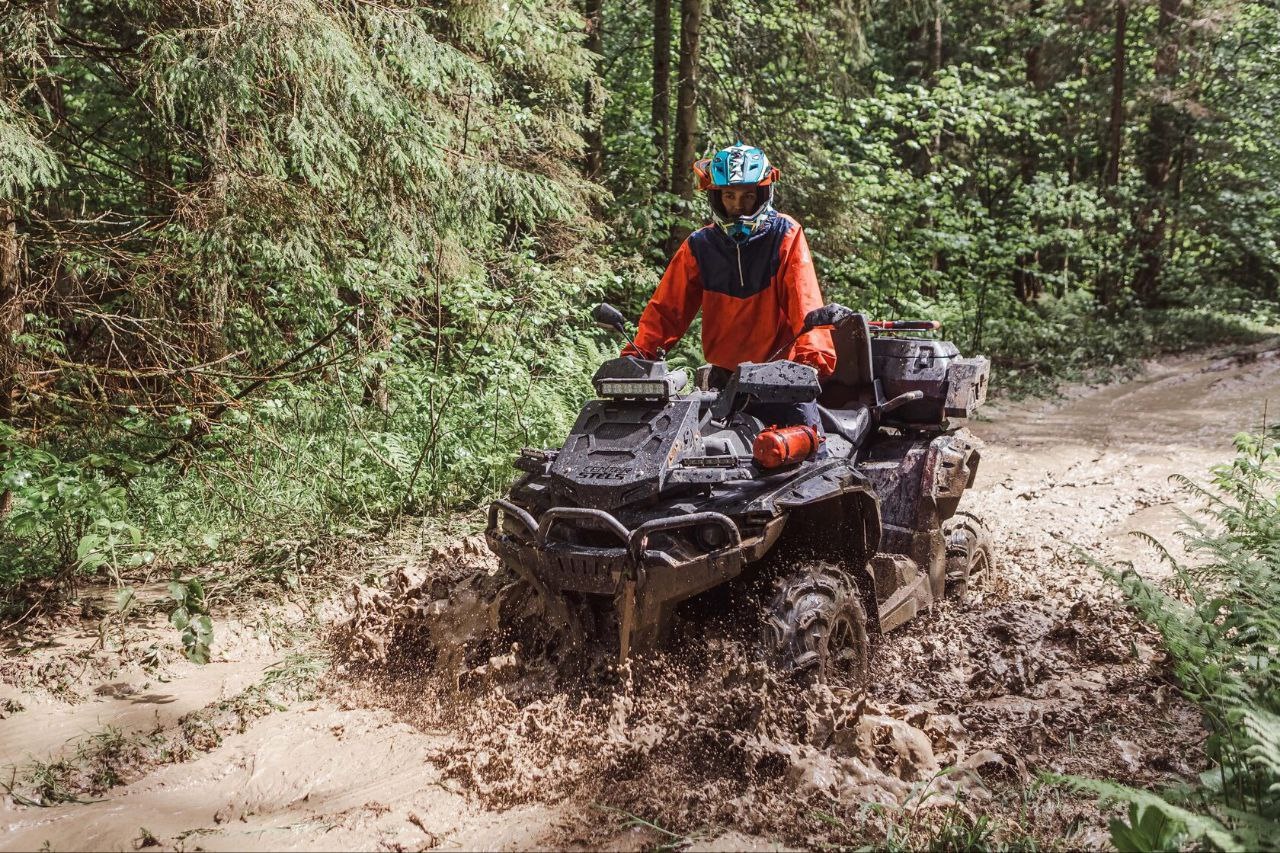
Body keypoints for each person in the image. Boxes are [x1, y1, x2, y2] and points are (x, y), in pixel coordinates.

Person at [623, 142, 835, 432]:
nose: (737, 206)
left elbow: (806, 299)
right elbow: (667, 309)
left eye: (747, 196)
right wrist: (637, 357)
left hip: (785, 380)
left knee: (813, 459)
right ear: (716, 197)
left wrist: (812, 361)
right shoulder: (700, 245)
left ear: (762, 193)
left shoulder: (785, 234)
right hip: (726, 383)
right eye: (729, 196)